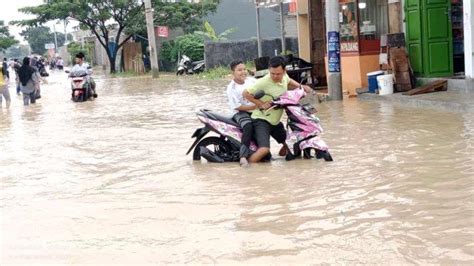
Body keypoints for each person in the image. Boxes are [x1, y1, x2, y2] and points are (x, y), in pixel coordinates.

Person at [243, 56, 312, 163]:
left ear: (284, 71)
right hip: (261, 120)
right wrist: (260, 104)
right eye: (272, 73)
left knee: (292, 144)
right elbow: (246, 93)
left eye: (278, 74)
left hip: (275, 122)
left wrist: (301, 87)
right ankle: (248, 168)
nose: (275, 76)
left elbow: (289, 82)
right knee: (264, 150)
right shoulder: (263, 82)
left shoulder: (285, 77)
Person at [226, 60, 257, 167]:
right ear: (233, 72)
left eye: (244, 69)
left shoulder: (251, 81)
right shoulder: (231, 88)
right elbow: (237, 106)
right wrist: (255, 106)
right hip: (239, 112)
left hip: (254, 110)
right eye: (239, 70)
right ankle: (243, 156)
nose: (243, 72)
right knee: (248, 126)